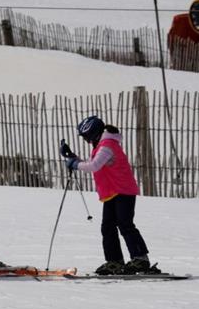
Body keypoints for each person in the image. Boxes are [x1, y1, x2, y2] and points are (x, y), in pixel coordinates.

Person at [61, 115, 159, 276]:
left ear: (94, 133)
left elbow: (94, 165)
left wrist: (75, 164)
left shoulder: (107, 145)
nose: (85, 140)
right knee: (107, 227)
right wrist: (72, 157)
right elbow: (92, 163)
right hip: (112, 192)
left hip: (122, 191)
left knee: (125, 224)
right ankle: (114, 261)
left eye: (86, 137)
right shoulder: (101, 145)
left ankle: (141, 259)